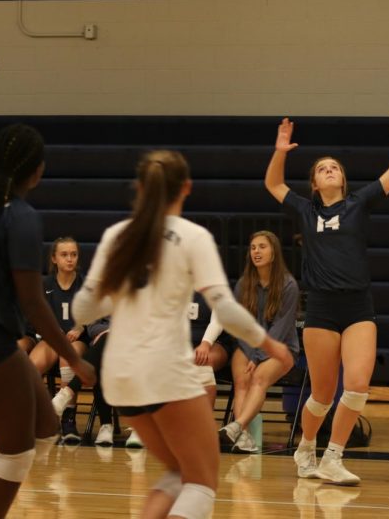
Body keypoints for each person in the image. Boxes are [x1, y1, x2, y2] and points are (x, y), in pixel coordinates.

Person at [71, 149, 293, 519]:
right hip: (163, 371)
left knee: (178, 473)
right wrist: (271, 345)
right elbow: (225, 309)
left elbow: (82, 311)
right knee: (202, 481)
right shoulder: (192, 237)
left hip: (120, 377)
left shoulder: (116, 236)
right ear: (186, 188)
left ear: (139, 188)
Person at [0, 124, 95, 519]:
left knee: (44, 430)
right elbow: (32, 301)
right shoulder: (21, 216)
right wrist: (73, 360)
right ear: (36, 170)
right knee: (18, 448)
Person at [265, 99, 389, 485]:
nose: (329, 170)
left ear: (343, 180)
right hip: (322, 308)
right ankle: (306, 446)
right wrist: (280, 151)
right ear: (314, 183)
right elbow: (273, 184)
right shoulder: (305, 211)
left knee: (359, 385)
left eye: (334, 167)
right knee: (322, 395)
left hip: (358, 304)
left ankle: (333, 456)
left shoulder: (358, 204)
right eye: (321, 169)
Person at [216, 231, 300, 454]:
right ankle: (244, 439)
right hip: (247, 345)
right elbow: (239, 325)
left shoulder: (288, 285)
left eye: (262, 247)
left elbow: (280, 330)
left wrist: (259, 356)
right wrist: (252, 353)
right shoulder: (244, 284)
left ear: (274, 253)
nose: (256, 252)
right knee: (242, 379)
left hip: (282, 349)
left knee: (259, 377)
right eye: (253, 247)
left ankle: (237, 427)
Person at [29, 236, 87, 444]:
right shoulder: (45, 284)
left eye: (73, 254)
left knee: (68, 358)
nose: (69, 259)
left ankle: (68, 420)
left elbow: (96, 315)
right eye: (64, 255)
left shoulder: (85, 284)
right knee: (31, 366)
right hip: (52, 338)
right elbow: (37, 318)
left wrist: (80, 328)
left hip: (77, 339)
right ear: (54, 259)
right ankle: (43, 415)